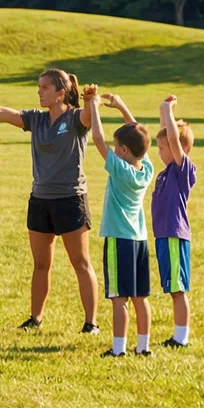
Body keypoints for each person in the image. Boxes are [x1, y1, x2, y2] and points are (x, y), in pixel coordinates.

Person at [0, 70, 101, 335]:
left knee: (80, 263)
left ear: (60, 93)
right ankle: (36, 318)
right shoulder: (35, 120)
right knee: (41, 265)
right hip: (40, 199)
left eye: (45, 88)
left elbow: (88, 117)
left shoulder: (74, 118)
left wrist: (89, 101)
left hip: (71, 199)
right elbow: (1, 111)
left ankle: (91, 323)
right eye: (38, 87)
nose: (39, 92)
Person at [88, 89, 156, 358]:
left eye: (118, 147)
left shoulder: (120, 168)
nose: (114, 150)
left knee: (119, 298)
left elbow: (96, 138)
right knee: (140, 298)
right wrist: (122, 107)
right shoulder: (146, 169)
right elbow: (140, 136)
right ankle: (144, 347)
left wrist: (93, 105)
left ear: (124, 150)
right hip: (139, 240)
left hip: (119, 239)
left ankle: (118, 350)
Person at [152, 95, 197, 349]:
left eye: (162, 148)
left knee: (178, 290)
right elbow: (167, 135)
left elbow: (172, 139)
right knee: (172, 288)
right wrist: (164, 113)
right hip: (163, 236)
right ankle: (178, 336)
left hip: (173, 235)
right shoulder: (169, 170)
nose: (159, 153)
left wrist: (168, 110)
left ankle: (181, 338)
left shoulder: (183, 170)